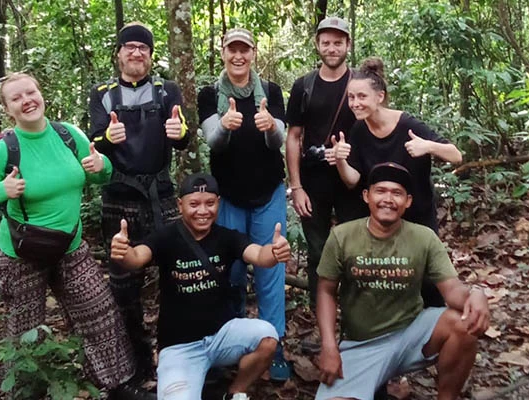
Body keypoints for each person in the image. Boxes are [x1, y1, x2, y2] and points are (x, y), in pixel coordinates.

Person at [0, 73, 152, 400]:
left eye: (31, 92)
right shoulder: (5, 150)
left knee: (100, 312)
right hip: (23, 254)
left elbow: (100, 174)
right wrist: (0, 190)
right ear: (8, 109)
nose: (27, 100)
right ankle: (27, 393)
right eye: (16, 98)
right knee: (25, 333)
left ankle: (119, 386)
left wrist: (99, 164)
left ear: (41, 93)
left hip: (70, 248)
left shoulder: (67, 134)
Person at [315, 162, 489, 400]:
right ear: (367, 196)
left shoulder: (423, 237)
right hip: (361, 344)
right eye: (381, 191)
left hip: (411, 333)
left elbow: (452, 290)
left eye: (396, 193)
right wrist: (329, 346)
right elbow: (325, 291)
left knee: (462, 324)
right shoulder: (342, 236)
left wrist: (475, 294)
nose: (388, 199)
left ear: (407, 201)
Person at [110, 173, 291, 400]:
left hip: (222, 336)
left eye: (210, 203)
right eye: (194, 204)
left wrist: (274, 253)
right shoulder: (166, 237)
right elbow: (136, 257)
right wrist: (123, 253)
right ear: (180, 205)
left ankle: (235, 393)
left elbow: (258, 254)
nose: (202, 211)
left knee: (267, 336)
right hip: (180, 348)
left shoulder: (226, 237)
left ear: (218, 203)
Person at [88, 21, 189, 379]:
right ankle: (137, 363)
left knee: (177, 275)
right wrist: (106, 139)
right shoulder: (102, 93)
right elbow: (93, 143)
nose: (136, 53)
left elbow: (183, 138)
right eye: (129, 47)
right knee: (123, 285)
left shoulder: (167, 90)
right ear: (118, 54)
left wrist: (180, 132)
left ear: (150, 55)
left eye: (142, 48)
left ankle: (178, 353)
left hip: (161, 196)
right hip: (119, 199)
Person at [331, 57, 463, 310]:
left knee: (428, 281)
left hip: (419, 217)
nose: (355, 103)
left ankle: (438, 332)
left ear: (379, 97)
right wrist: (340, 160)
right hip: (384, 220)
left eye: (362, 97)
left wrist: (428, 146)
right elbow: (353, 180)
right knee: (390, 282)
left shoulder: (408, 124)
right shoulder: (358, 130)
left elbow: (456, 155)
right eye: (351, 97)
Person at [197, 28, 290, 379]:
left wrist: (269, 128)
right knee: (230, 271)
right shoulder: (209, 95)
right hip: (228, 198)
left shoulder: (273, 92)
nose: (239, 56)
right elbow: (213, 142)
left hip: (268, 194)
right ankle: (231, 343)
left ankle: (274, 343)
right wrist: (224, 126)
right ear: (223, 53)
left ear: (253, 53)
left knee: (270, 268)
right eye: (232, 49)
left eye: (245, 50)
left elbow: (277, 140)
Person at [285, 16, 366, 310]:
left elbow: (374, 126)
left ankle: (357, 321)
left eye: (338, 43)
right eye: (326, 43)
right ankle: (323, 321)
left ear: (348, 45)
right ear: (318, 45)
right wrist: (296, 187)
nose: (332, 49)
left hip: (353, 181)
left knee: (355, 250)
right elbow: (293, 137)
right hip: (313, 181)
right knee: (318, 253)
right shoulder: (304, 86)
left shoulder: (360, 84)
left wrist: (349, 153)